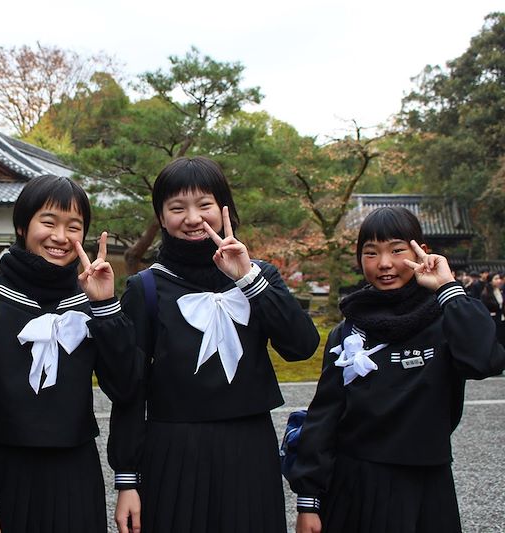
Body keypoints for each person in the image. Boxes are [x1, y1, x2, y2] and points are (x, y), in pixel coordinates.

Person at [109, 156, 320, 533]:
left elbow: (301, 346)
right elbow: (129, 389)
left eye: (204, 204)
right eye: (177, 207)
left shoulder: (260, 274)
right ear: (161, 217)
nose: (192, 218)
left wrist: (248, 280)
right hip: (172, 450)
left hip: (249, 447)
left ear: (225, 209)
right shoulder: (146, 288)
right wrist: (127, 478)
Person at [0, 174, 141, 533]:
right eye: (48, 222)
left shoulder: (89, 305)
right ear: (22, 225)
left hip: (74, 478)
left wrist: (107, 306)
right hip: (1, 479)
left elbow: (127, 387)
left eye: (74, 226)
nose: (60, 237)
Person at [289, 206, 505, 533]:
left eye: (397, 250)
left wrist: (447, 287)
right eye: (371, 253)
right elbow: (324, 416)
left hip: (427, 482)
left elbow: (484, 360)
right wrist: (308, 499)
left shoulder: (446, 319)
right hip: (356, 483)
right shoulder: (349, 332)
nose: (385, 264)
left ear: (421, 252)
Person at [481, 272, 505, 346]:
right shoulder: (486, 293)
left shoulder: (500, 290)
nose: (499, 281)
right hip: (492, 319)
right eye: (496, 279)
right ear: (490, 281)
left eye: (499, 278)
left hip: (501, 318)